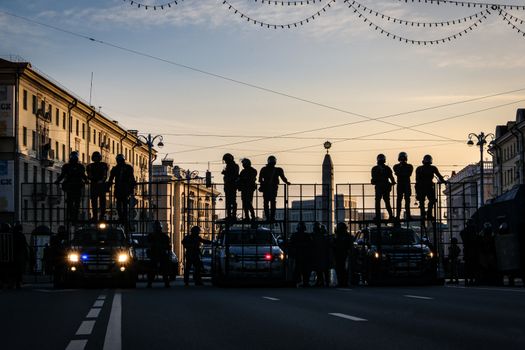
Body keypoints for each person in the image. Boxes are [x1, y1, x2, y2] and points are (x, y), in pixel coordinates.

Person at [54, 151, 87, 224]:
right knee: (70, 202)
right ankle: (71, 216)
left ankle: (74, 217)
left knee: (76, 203)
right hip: (71, 187)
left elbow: (83, 175)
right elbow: (62, 175)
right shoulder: (67, 166)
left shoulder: (80, 166)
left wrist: (86, 180)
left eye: (75, 157)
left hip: (76, 187)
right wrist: (58, 181)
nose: (74, 158)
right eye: (73, 156)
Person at [258, 155, 290, 223]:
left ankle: (268, 218)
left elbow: (260, 179)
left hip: (267, 189)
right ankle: (271, 217)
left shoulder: (264, 169)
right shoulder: (278, 170)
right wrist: (287, 182)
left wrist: (263, 184)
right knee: (272, 203)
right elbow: (283, 178)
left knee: (267, 203)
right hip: (273, 189)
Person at [107, 154, 136, 227]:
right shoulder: (115, 169)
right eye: (119, 160)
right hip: (120, 189)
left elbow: (132, 178)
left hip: (124, 189)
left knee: (123, 204)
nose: (119, 162)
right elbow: (111, 179)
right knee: (120, 205)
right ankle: (122, 217)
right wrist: (107, 187)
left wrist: (132, 188)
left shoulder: (128, 168)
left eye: (120, 160)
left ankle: (123, 217)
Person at [415, 154, 445, 221]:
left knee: (422, 201)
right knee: (432, 200)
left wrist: (417, 191)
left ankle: (423, 215)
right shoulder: (433, 168)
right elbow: (439, 176)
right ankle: (429, 214)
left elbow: (417, 180)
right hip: (429, 187)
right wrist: (444, 182)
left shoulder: (419, 168)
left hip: (421, 187)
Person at [371, 154, 395, 221]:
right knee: (387, 201)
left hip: (379, 187)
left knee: (378, 202)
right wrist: (392, 182)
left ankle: (378, 216)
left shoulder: (375, 168)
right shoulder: (387, 168)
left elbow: (373, 179)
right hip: (385, 187)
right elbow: (391, 178)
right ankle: (390, 215)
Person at [147, 221, 171, 288]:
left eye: (158, 228)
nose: (157, 229)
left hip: (161, 254)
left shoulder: (164, 236)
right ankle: (150, 283)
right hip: (155, 254)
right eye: (156, 227)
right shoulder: (151, 236)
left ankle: (166, 283)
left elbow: (168, 246)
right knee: (153, 270)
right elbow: (148, 245)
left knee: (164, 270)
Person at [86, 151, 109, 221]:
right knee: (94, 201)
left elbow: (105, 175)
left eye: (97, 157)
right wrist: (93, 179)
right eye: (95, 157)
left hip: (101, 185)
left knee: (102, 201)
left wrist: (102, 180)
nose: (96, 159)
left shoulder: (104, 165)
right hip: (94, 185)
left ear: (99, 158)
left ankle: (102, 215)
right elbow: (89, 175)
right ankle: (95, 216)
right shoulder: (90, 166)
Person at [289, 222, 312, 287]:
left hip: (298, 256)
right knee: (305, 270)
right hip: (305, 256)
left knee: (297, 270)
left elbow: (291, 245)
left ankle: (295, 282)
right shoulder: (307, 236)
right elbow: (310, 246)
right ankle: (305, 282)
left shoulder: (294, 235)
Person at [393, 152, 413, 220]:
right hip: (401, 185)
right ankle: (398, 216)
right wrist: (403, 173)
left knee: (407, 201)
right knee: (399, 200)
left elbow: (408, 174)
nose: (402, 159)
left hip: (406, 185)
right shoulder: (396, 166)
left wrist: (400, 173)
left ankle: (408, 215)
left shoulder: (409, 166)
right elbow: (399, 173)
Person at [333, 222, 353, 287]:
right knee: (342, 269)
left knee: (341, 269)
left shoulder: (339, 237)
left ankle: (342, 282)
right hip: (342, 255)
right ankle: (343, 282)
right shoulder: (347, 236)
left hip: (342, 255)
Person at [312, 222, 331, 287]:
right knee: (323, 269)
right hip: (323, 255)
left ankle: (321, 281)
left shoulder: (317, 237)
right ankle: (325, 282)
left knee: (320, 269)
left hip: (320, 254)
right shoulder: (324, 237)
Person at [460, 219, 478, 286]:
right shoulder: (473, 231)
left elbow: (462, 234)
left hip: (468, 250)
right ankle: (472, 279)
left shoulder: (464, 232)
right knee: (473, 266)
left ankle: (468, 280)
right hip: (472, 250)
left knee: (468, 266)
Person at [222, 153, 240, 221]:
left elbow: (234, 175)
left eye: (226, 160)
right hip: (229, 185)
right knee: (230, 201)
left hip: (231, 185)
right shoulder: (232, 165)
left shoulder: (233, 166)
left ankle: (232, 216)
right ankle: (231, 215)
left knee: (231, 201)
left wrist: (225, 173)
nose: (225, 161)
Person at [12, 223, 28, 289]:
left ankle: (13, 283)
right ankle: (18, 283)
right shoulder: (22, 236)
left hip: (13, 254)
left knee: (14, 269)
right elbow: (25, 245)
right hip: (20, 254)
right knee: (19, 270)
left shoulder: (13, 235)